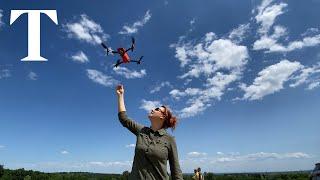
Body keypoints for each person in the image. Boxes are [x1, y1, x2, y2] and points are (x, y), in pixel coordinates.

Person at [116, 84, 183, 180]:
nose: (152, 109)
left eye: (157, 109)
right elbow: (124, 119)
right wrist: (120, 95)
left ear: (162, 117)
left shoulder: (169, 140)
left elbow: (176, 171)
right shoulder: (141, 131)